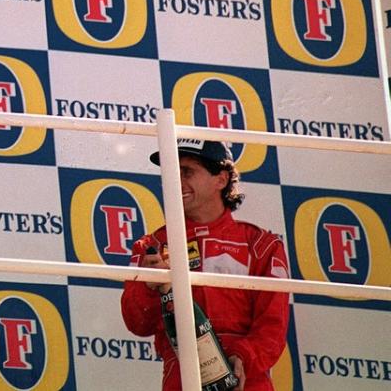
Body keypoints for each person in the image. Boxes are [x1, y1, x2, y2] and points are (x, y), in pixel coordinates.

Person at [120, 139, 290, 391]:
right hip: (181, 370)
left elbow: (272, 326)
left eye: (187, 172)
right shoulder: (151, 246)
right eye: (171, 173)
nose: (176, 182)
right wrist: (148, 287)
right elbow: (138, 324)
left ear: (221, 180)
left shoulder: (262, 245)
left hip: (246, 375)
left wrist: (242, 356)